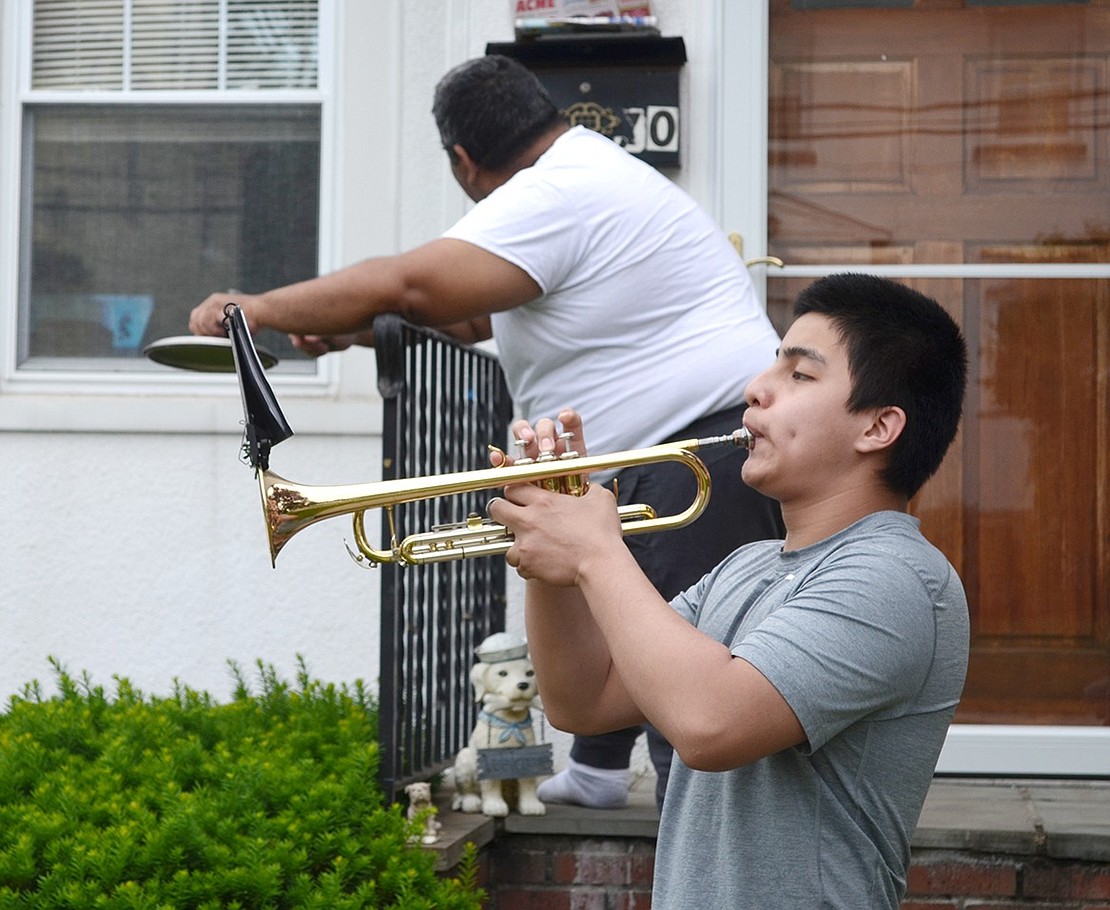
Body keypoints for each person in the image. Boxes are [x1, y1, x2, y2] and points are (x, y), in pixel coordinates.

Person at [190, 54, 785, 810]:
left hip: (689, 446)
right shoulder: (586, 172)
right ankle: (600, 772)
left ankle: (702, 854)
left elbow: (415, 286)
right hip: (683, 442)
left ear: (464, 161)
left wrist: (259, 306)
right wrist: (349, 334)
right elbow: (478, 313)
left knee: (682, 676)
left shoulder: (554, 191)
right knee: (624, 624)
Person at [488, 273, 970, 908]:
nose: (755, 389)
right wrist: (556, 564)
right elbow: (583, 702)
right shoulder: (747, 565)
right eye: (775, 364)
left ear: (878, 427)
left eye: (800, 375)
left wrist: (596, 551)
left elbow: (710, 725)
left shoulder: (897, 577)